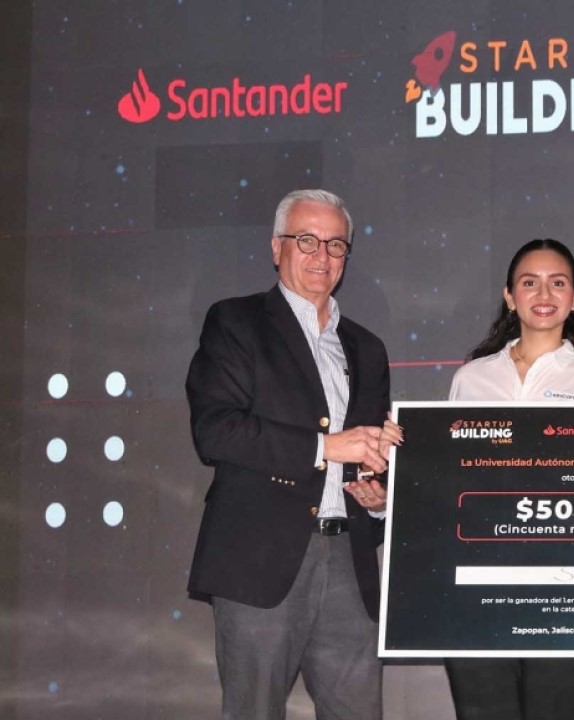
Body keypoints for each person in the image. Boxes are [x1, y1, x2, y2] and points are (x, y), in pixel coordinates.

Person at [186, 189, 394, 720]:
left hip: (350, 561)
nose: (322, 255)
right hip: (259, 558)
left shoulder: (368, 348)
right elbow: (216, 431)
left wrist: (378, 498)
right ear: (276, 247)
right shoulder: (236, 322)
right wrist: (327, 447)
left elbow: (370, 455)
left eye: (336, 244)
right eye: (306, 240)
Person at [444, 238, 574, 720]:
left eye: (557, 283)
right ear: (510, 296)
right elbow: (449, 486)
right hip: (478, 590)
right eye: (529, 282)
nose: (544, 294)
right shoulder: (470, 379)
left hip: (562, 594)